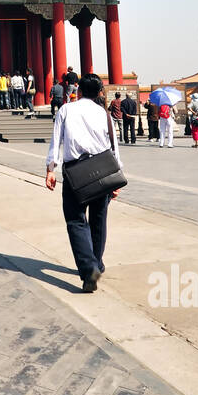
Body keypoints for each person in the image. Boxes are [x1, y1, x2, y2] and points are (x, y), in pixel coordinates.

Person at [45, 74, 121, 293]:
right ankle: (96, 263)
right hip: (103, 172)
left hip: (76, 173)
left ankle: (89, 270)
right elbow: (114, 147)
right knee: (99, 219)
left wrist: (51, 169)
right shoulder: (104, 114)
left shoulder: (66, 110)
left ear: (78, 91)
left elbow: (56, 140)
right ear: (99, 93)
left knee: (76, 221)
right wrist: (117, 178)